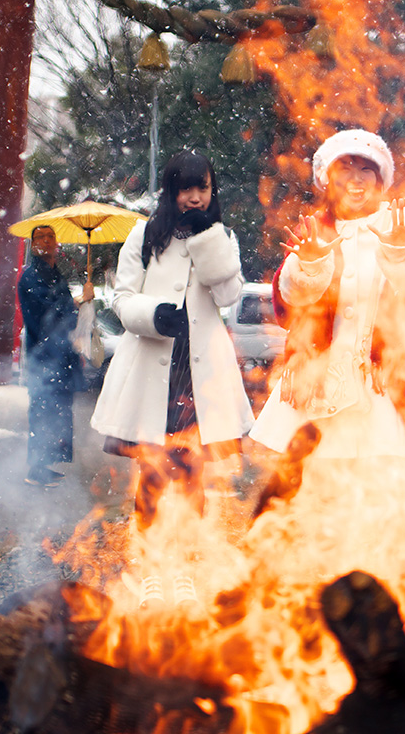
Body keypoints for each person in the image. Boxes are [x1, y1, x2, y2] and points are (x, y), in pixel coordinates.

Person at [90, 150, 254, 603]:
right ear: (171, 190)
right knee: (153, 475)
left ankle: (182, 567)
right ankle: (152, 570)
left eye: (203, 187)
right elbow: (121, 299)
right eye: (186, 188)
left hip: (197, 377)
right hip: (153, 370)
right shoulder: (145, 234)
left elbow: (229, 293)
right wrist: (154, 315)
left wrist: (209, 241)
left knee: (192, 476)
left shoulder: (222, 236)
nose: (195, 197)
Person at [250, 128, 405, 460]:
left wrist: (401, 250)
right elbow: (291, 302)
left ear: (379, 180)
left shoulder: (398, 227)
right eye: (345, 168)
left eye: (366, 169)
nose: (356, 179)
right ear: (328, 180)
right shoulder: (314, 230)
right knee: (321, 481)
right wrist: (312, 263)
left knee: (383, 484)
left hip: (386, 380)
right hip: (320, 375)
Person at [18, 225, 94, 487]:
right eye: (41, 237)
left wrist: (81, 304)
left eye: (51, 236)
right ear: (33, 244)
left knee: (58, 410)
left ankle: (45, 464)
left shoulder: (55, 274)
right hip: (44, 357)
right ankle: (36, 469)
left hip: (60, 356)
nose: (47, 241)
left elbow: (67, 317)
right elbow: (45, 314)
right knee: (43, 410)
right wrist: (74, 303)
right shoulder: (29, 277)